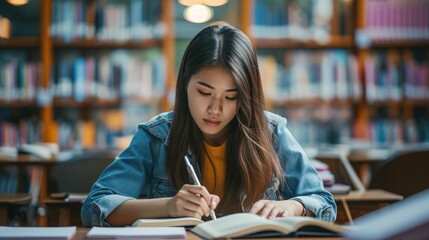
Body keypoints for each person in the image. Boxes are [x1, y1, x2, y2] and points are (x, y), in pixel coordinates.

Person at [81, 23, 336, 227]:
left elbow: (323, 202)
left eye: (231, 97)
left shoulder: (271, 132)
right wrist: (168, 207)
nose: (216, 109)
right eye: (204, 92)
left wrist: (292, 206)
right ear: (184, 84)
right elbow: (95, 205)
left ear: (247, 95)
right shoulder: (156, 136)